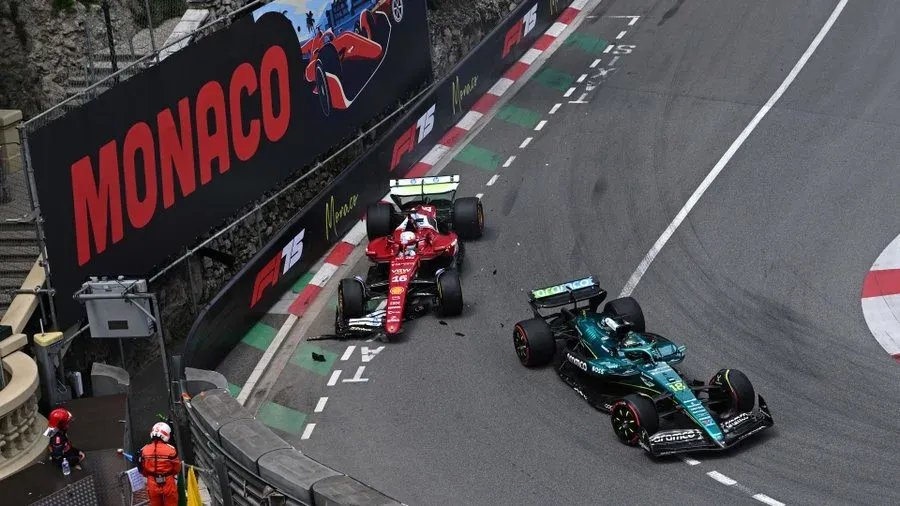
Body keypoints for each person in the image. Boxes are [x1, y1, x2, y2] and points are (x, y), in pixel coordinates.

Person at [138, 422, 182, 506]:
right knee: (171, 503)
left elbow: (143, 469)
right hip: (168, 481)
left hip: (152, 481)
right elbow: (177, 468)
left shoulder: (145, 450)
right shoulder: (170, 450)